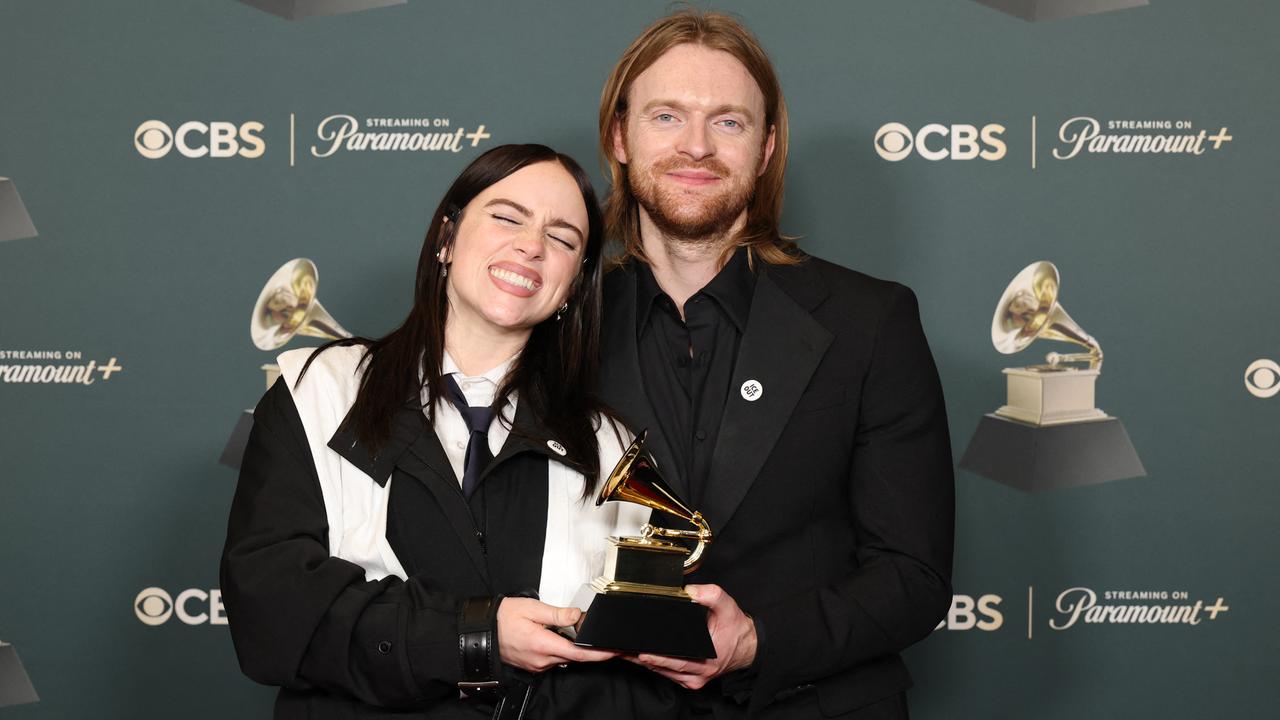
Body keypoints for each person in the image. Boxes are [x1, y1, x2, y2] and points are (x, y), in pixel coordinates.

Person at [595, 11, 956, 719]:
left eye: (728, 122)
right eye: (667, 116)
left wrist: (759, 640)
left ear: (764, 149)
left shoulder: (871, 322)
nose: (696, 145)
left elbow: (913, 576)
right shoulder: (559, 325)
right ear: (620, 137)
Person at [220, 144, 650, 719]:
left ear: (573, 284)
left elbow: (631, 672)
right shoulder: (316, 390)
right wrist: (474, 637)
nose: (532, 245)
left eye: (563, 238)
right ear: (447, 238)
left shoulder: (610, 448)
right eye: (507, 217)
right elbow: (270, 608)